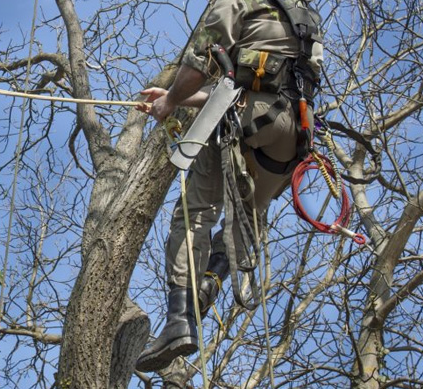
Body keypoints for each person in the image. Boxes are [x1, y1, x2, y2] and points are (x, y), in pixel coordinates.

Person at [135, 0, 324, 372]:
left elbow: (199, 61)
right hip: (294, 132)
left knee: (195, 213)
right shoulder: (305, 15)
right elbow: (252, 81)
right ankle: (212, 279)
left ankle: (179, 319)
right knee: (249, 218)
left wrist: (171, 99)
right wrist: (174, 100)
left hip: (245, 118)